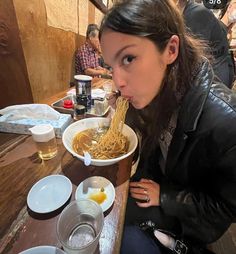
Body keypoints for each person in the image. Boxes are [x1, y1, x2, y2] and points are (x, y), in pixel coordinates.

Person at [99, 0, 236, 253]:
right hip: (159, 183)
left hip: (187, 219)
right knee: (103, 211)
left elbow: (226, 209)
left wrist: (165, 196)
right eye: (111, 66)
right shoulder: (158, 92)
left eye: (128, 58)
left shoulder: (227, 121)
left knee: (115, 238)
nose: (117, 81)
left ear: (171, 50)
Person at [176, 0, 235, 89]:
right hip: (208, 73)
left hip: (214, 77)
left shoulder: (197, 13)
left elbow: (195, 56)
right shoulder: (184, 14)